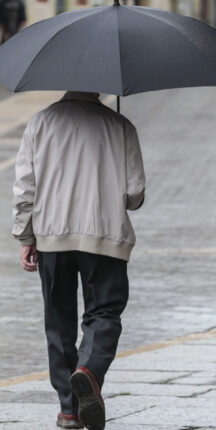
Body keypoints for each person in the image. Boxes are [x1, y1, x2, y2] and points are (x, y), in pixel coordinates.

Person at [13, 91, 145, 430]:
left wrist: (25, 237)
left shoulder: (40, 122)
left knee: (58, 321)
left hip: (52, 236)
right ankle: (88, 370)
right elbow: (134, 196)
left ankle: (69, 411)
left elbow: (25, 187)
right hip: (104, 236)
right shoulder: (121, 125)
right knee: (104, 312)